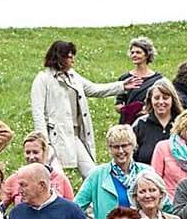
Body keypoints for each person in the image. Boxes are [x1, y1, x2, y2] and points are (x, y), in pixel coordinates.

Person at [30, 40, 124, 176]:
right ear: (59, 58)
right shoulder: (43, 79)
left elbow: (94, 89)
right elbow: (38, 113)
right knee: (54, 175)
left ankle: (92, 197)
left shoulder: (73, 77)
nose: (72, 59)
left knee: (91, 172)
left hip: (74, 135)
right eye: (69, 56)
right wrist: (44, 142)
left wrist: (122, 86)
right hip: (55, 136)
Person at [77, 125, 145, 219]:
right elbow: (76, 207)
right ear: (109, 148)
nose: (120, 151)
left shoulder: (146, 172)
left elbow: (164, 204)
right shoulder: (97, 175)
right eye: (115, 147)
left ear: (133, 146)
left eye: (124, 146)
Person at [130, 78, 181, 168]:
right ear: (150, 100)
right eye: (156, 98)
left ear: (172, 100)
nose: (161, 102)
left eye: (165, 98)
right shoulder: (140, 124)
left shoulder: (182, 124)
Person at [114, 36, 164, 125]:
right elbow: (118, 105)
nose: (134, 55)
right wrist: (129, 110)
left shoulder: (158, 79)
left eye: (138, 52)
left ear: (147, 54)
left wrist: (148, 110)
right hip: (128, 123)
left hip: (150, 123)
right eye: (132, 52)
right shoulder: (125, 78)